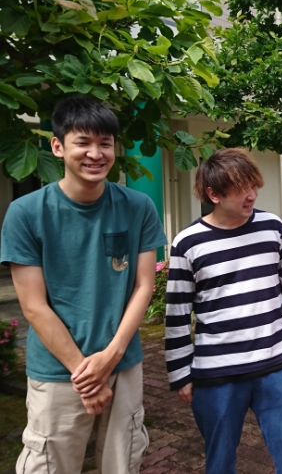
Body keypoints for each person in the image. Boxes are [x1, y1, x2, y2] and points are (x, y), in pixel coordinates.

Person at [1, 95, 168, 473]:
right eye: (83, 142)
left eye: (105, 143)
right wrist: (86, 375)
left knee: (122, 463)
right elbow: (33, 306)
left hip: (123, 364)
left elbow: (144, 286)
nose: (96, 153)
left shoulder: (138, 206)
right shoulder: (26, 213)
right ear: (58, 146)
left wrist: (110, 357)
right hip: (58, 370)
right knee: (50, 464)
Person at [164, 148, 282, 474]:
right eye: (242, 189)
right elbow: (177, 316)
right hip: (217, 375)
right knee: (220, 462)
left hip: (276, 369)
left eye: (254, 186)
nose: (252, 195)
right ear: (213, 194)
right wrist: (181, 374)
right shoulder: (188, 243)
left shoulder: (273, 227)